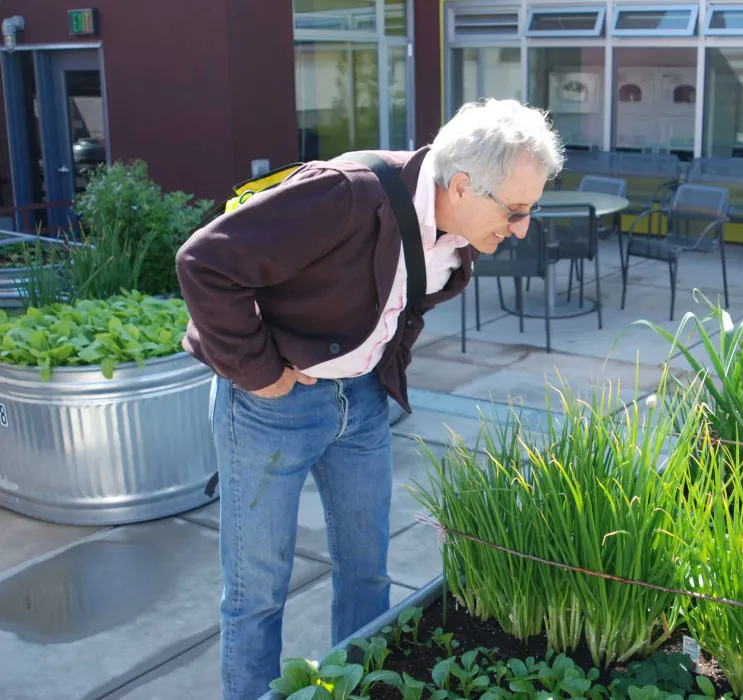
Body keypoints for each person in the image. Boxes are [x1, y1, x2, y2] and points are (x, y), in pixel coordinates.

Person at [174, 98, 565, 700]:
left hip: (361, 407)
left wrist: (381, 367)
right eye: (515, 211)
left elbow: (400, 300)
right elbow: (205, 261)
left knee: (367, 577)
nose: (522, 228)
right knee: (257, 594)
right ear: (461, 185)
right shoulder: (346, 194)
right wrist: (259, 373)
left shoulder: (461, 230)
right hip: (270, 409)